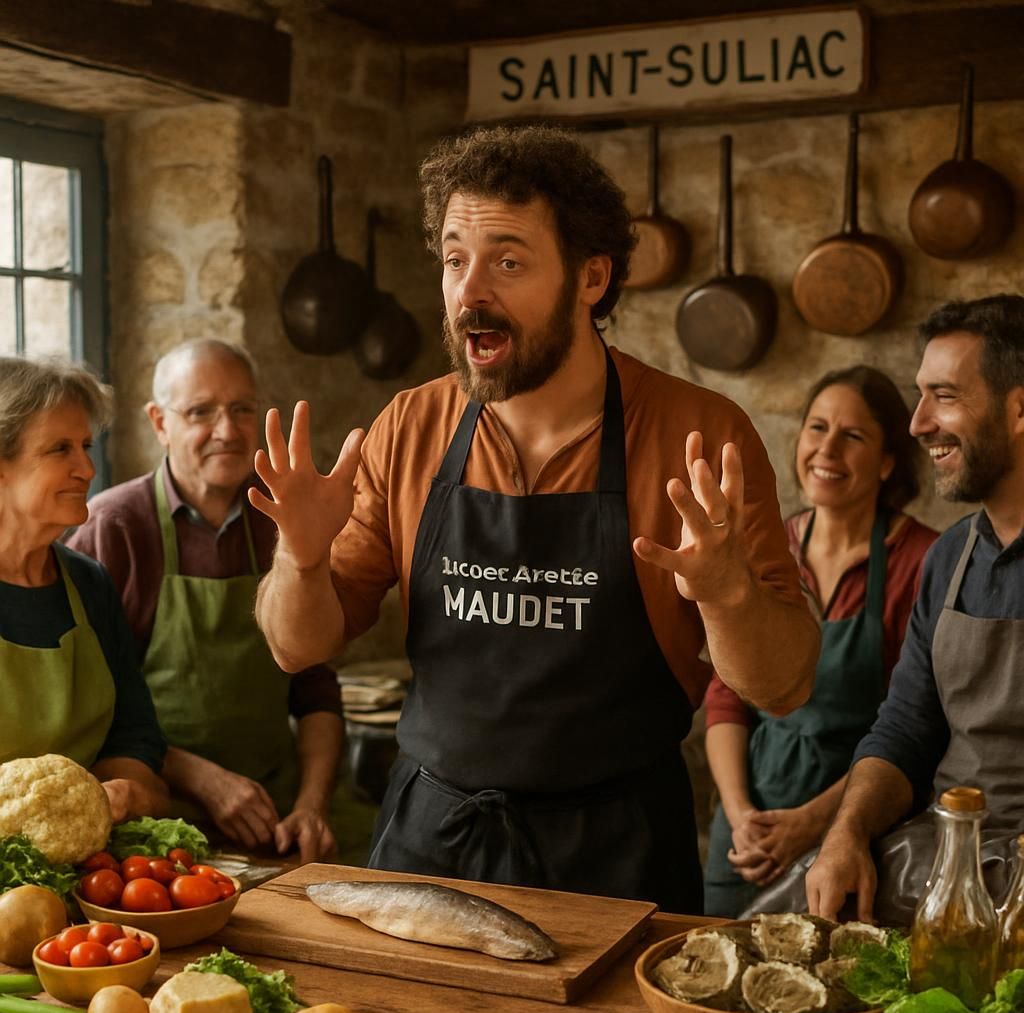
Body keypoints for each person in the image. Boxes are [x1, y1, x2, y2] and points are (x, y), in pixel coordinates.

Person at [251, 124, 820, 912]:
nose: (469, 291)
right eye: (455, 259)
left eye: (507, 261)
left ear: (591, 278)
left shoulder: (700, 436)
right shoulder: (410, 426)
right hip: (431, 845)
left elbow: (784, 687)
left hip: (618, 858)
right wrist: (302, 560)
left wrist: (727, 595)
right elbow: (295, 645)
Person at [68, 340, 375, 864]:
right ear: (159, 422)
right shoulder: (113, 526)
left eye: (241, 409)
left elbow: (316, 687)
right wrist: (203, 780)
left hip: (276, 815)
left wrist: (311, 805)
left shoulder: (284, 517)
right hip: (152, 823)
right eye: (200, 412)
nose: (228, 432)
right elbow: (97, 714)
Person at [806, 293, 1024, 921]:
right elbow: (905, 729)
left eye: (945, 397)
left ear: (1019, 409)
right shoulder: (951, 556)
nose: (918, 423)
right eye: (920, 395)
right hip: (945, 856)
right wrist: (845, 833)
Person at [703, 366, 937, 918]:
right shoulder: (765, 549)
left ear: (886, 462)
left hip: (856, 834)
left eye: (853, 436)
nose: (827, 448)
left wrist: (813, 822)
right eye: (817, 427)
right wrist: (740, 816)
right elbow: (726, 696)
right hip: (746, 838)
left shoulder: (924, 561)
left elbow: (914, 726)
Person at [0, 356, 167, 822]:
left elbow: (134, 735)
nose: (88, 469)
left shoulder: (89, 583)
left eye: (86, 446)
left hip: (91, 860)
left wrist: (124, 793)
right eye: (60, 449)